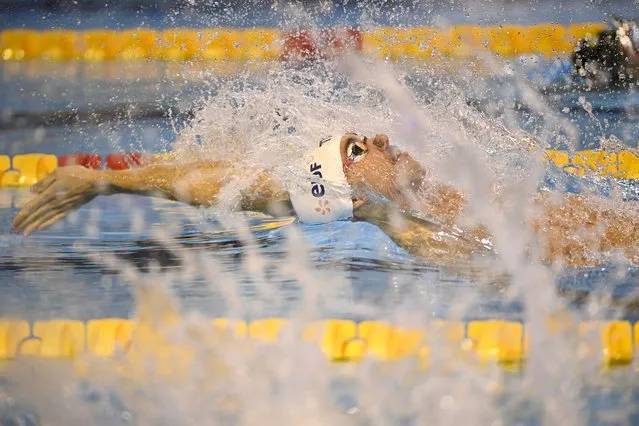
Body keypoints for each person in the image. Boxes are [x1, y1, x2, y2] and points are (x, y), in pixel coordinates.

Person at [11, 132, 639, 274]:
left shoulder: (429, 194)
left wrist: (123, 178)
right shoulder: (426, 223)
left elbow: (229, 178)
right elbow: (246, 187)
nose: (383, 140)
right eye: (359, 149)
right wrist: (109, 183)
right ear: (353, 187)